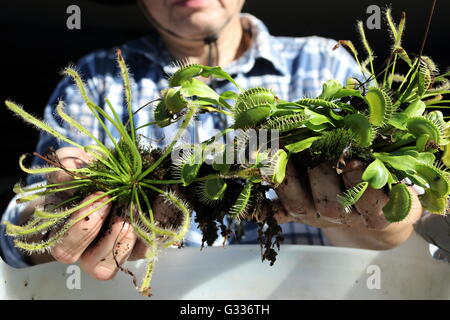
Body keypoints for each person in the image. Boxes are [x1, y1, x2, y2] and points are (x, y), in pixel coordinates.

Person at [0, 0, 423, 281]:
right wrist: (60, 215)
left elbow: (400, 226)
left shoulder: (323, 61)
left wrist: (376, 218)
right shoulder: (99, 80)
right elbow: (17, 228)